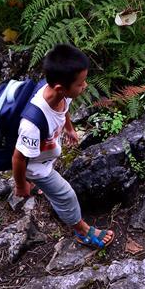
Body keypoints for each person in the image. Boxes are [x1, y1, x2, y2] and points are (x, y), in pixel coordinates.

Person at [11, 44, 115, 249]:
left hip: (43, 155)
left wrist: (68, 127)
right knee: (66, 195)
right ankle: (82, 231)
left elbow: (64, 109)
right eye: (80, 84)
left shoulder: (59, 94)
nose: (84, 86)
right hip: (37, 168)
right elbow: (18, 157)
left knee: (52, 187)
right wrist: (21, 185)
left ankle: (35, 187)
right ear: (60, 87)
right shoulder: (31, 125)